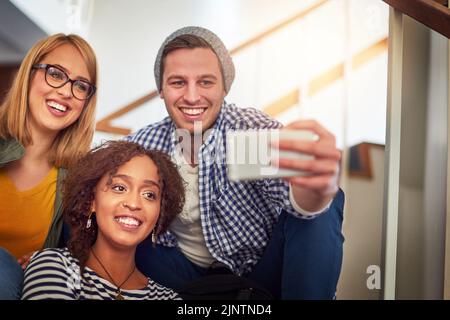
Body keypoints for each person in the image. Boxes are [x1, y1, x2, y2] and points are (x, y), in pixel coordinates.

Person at [126, 26, 345, 299]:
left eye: (206, 82)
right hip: (182, 274)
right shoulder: (147, 144)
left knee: (328, 197)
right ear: (161, 89)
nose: (192, 96)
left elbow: (296, 203)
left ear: (224, 88)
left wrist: (315, 191)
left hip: (255, 275)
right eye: (178, 82)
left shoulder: (247, 134)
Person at [0, 33, 98, 299]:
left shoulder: (80, 180)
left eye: (81, 86)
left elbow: (85, 252)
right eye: (55, 74)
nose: (66, 91)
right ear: (29, 74)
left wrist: (52, 258)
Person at [21, 141, 184, 300]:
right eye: (119, 188)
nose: (134, 204)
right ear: (91, 201)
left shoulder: (168, 297)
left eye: (149, 195)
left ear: (159, 212)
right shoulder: (54, 267)